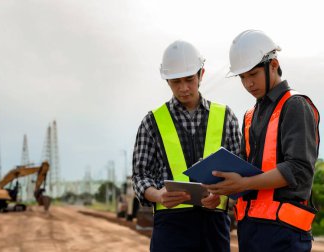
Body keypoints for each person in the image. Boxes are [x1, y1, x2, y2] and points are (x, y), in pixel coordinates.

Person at [204, 30, 320, 252]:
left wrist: (244, 184)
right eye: (242, 77)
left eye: (253, 74)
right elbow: (246, 172)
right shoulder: (250, 115)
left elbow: (298, 170)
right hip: (250, 231)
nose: (248, 83)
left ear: (273, 64)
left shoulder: (295, 105)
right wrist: (222, 192)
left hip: (285, 234)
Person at [132, 40, 242, 252]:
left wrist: (221, 195)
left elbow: (239, 172)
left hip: (215, 226)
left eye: (189, 79)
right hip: (171, 226)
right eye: (175, 81)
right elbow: (140, 176)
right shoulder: (152, 122)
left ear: (201, 74)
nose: (183, 88)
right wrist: (158, 196)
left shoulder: (225, 116)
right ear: (167, 82)